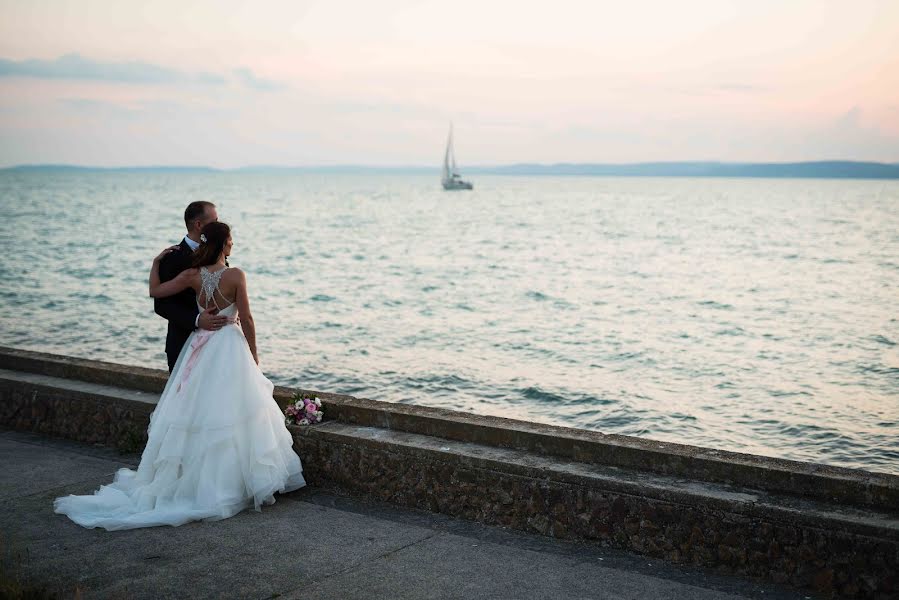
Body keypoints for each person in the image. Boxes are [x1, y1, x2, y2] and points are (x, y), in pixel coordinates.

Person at [53, 222, 305, 530]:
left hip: (201, 346)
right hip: (230, 346)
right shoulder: (236, 275)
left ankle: (200, 482)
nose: (233, 246)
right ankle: (233, 484)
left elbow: (155, 291)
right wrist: (255, 357)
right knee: (234, 411)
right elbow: (247, 318)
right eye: (231, 241)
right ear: (224, 243)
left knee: (199, 411)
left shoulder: (191, 275)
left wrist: (157, 263)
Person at [156, 201, 230, 372]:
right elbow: (161, 304)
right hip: (183, 344)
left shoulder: (218, 252)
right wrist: (197, 320)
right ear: (199, 225)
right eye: (215, 220)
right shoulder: (172, 257)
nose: (219, 225)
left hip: (217, 344)